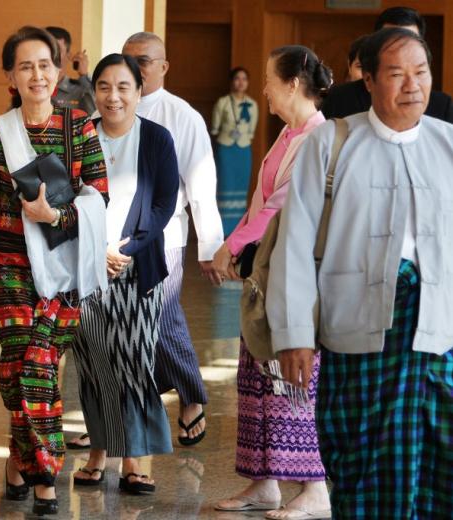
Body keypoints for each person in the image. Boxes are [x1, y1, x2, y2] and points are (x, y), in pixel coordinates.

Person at [270, 28, 453, 519]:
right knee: (365, 469)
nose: (412, 85)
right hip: (359, 337)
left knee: (441, 468)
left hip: (438, 336)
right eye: (397, 74)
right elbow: (294, 244)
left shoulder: (449, 144)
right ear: (368, 79)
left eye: (421, 73)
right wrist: (294, 335)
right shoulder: (330, 143)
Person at [0, 26, 107, 516]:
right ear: (10, 76)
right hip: (7, 263)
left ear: (58, 70)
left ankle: (27, 463)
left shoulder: (81, 126)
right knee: (20, 367)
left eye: (45, 64)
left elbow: (99, 197)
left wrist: (56, 217)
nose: (37, 74)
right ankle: (42, 469)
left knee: (36, 366)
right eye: (25, 66)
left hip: (64, 263)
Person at [212, 45, 332, 520]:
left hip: (295, 275)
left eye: (268, 79)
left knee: (290, 379)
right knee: (256, 376)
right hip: (266, 272)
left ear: (292, 84)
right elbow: (260, 197)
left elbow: (279, 207)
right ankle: (265, 482)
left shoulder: (317, 139)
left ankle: (315, 488)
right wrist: (235, 243)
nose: (263, 88)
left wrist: (232, 245)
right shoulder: (289, 133)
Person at [70, 53, 178, 494]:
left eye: (123, 87)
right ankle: (98, 451)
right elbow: (63, 200)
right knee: (94, 363)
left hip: (138, 269)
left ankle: (135, 458)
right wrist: (97, 252)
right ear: (94, 91)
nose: (112, 97)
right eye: (104, 87)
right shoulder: (78, 138)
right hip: (85, 270)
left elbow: (163, 206)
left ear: (138, 90)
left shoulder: (156, 139)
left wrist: (126, 250)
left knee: (134, 361)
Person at [123, 31, 223, 446]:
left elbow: (201, 183)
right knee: (115, 326)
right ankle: (107, 421)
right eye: (128, 60)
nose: (135, 69)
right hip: (114, 239)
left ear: (164, 66)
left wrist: (211, 247)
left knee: (162, 319)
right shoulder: (111, 104)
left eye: (144, 61)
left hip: (165, 237)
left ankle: (192, 396)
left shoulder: (183, 116)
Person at [322, 6, 453, 123]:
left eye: (420, 72)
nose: (411, 87)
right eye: (392, 40)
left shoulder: (442, 107)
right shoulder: (339, 99)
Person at [211, 66, 258, 235]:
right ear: (232, 82)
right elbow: (215, 129)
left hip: (244, 150)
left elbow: (251, 131)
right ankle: (221, 231)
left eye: (244, 79)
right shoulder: (223, 102)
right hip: (226, 150)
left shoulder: (253, 104)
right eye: (237, 78)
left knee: (241, 188)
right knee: (225, 187)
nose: (241, 82)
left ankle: (237, 230)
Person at [45, 26, 96, 115]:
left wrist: (84, 76)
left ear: (68, 55)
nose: (52, 55)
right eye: (47, 49)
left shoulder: (80, 89)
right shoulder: (32, 86)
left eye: (57, 49)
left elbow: (95, 114)